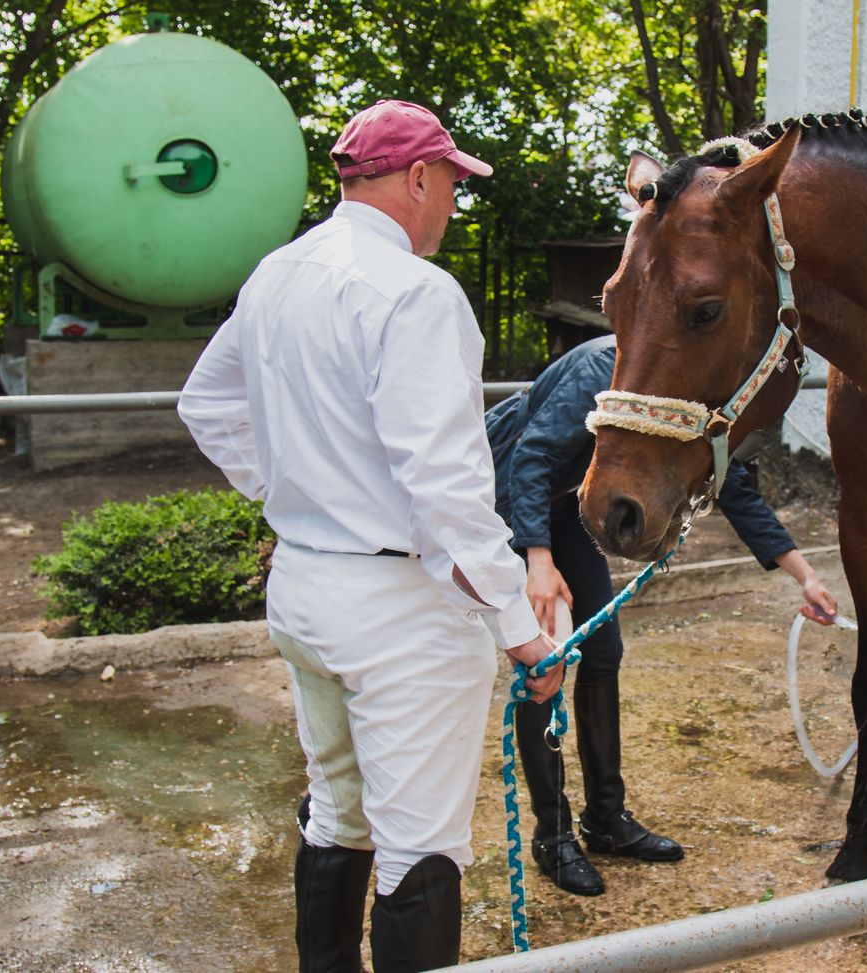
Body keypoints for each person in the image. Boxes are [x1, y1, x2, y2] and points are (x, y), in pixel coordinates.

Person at [178, 100, 561, 973]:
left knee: (338, 807)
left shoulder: (278, 271)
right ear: (420, 177)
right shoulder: (417, 293)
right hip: (399, 612)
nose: (455, 205)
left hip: (306, 587)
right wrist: (524, 633)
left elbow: (204, 401)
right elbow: (447, 494)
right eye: (454, 186)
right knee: (419, 845)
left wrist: (291, 492)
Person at [485, 334, 839, 895]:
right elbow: (531, 456)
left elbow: (730, 486)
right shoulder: (605, 366)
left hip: (568, 503)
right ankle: (552, 835)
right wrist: (537, 561)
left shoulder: (690, 386)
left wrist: (806, 575)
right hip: (512, 499)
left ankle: (606, 819)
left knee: (602, 652)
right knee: (543, 666)